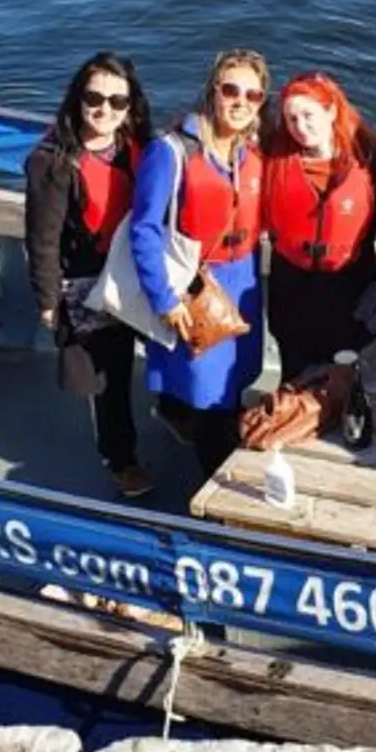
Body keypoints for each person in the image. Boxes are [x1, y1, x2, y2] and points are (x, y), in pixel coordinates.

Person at [129, 48, 267, 476]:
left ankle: (178, 414)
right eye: (230, 90)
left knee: (237, 373)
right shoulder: (171, 152)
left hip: (242, 277)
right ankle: (216, 474)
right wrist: (164, 298)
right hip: (195, 280)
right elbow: (144, 228)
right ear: (212, 91)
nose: (240, 102)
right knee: (208, 384)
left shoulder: (250, 152)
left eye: (253, 95)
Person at [24, 51, 153, 497]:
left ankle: (178, 414)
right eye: (94, 98)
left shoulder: (136, 146)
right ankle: (120, 459)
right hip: (88, 283)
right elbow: (42, 239)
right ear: (77, 99)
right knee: (107, 378)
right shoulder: (53, 163)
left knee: (164, 352)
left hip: (137, 271)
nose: (105, 110)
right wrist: (47, 302)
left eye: (118, 101)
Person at [262, 71, 376, 381]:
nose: (300, 127)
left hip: (349, 284)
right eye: (292, 119)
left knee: (350, 375)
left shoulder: (370, 157)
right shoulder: (273, 155)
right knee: (296, 376)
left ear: (331, 111)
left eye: (308, 115)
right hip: (292, 287)